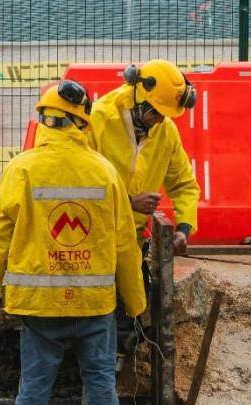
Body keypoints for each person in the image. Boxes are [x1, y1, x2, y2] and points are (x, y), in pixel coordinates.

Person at [0, 81, 147, 405]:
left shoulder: (23, 168)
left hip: (39, 306)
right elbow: (125, 242)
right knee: (101, 382)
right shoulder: (104, 171)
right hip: (94, 305)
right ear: (82, 121)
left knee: (35, 385)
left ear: (44, 121)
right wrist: (136, 302)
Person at [84, 59, 201, 364]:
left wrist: (183, 229)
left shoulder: (166, 132)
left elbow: (185, 186)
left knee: (130, 311)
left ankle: (121, 367)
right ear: (138, 94)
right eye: (155, 112)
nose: (159, 120)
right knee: (95, 316)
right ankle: (101, 374)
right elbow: (79, 186)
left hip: (132, 243)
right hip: (93, 240)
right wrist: (128, 201)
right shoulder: (97, 121)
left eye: (164, 115)